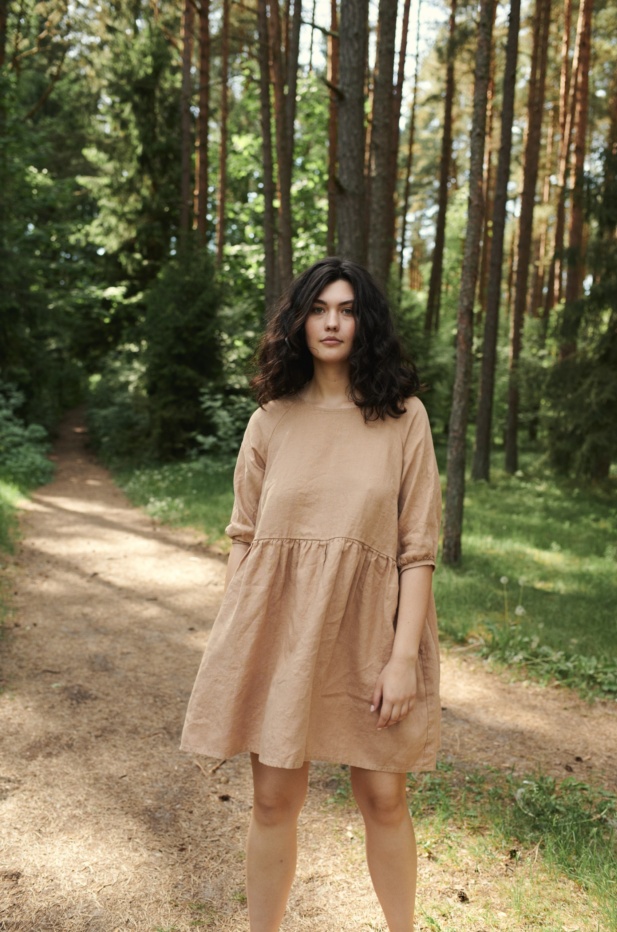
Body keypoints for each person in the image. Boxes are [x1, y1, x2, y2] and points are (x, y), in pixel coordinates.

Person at [181, 257, 442, 932]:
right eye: (319, 308)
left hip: (371, 635)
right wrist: (240, 652)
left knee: (383, 793)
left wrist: (403, 657)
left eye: (348, 309)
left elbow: (417, 549)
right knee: (271, 799)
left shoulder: (403, 418)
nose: (332, 322)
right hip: (280, 631)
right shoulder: (270, 421)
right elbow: (244, 540)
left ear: (366, 322)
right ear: (298, 321)